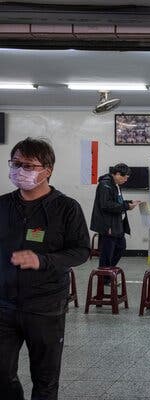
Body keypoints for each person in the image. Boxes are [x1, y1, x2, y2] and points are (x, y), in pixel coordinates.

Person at [0, 138, 90, 400]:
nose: (20, 170)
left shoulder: (66, 208)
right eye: (15, 164)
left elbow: (81, 251)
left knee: (45, 380)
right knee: (2, 376)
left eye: (28, 165)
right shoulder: (3, 205)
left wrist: (43, 261)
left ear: (47, 170)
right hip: (4, 305)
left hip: (45, 307)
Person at [90, 163, 140, 279]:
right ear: (117, 174)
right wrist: (127, 206)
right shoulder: (105, 184)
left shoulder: (116, 185)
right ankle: (104, 277)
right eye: (125, 177)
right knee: (107, 253)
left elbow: (117, 201)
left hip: (117, 224)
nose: (126, 180)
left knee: (121, 247)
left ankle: (108, 272)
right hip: (108, 225)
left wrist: (129, 202)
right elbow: (106, 205)